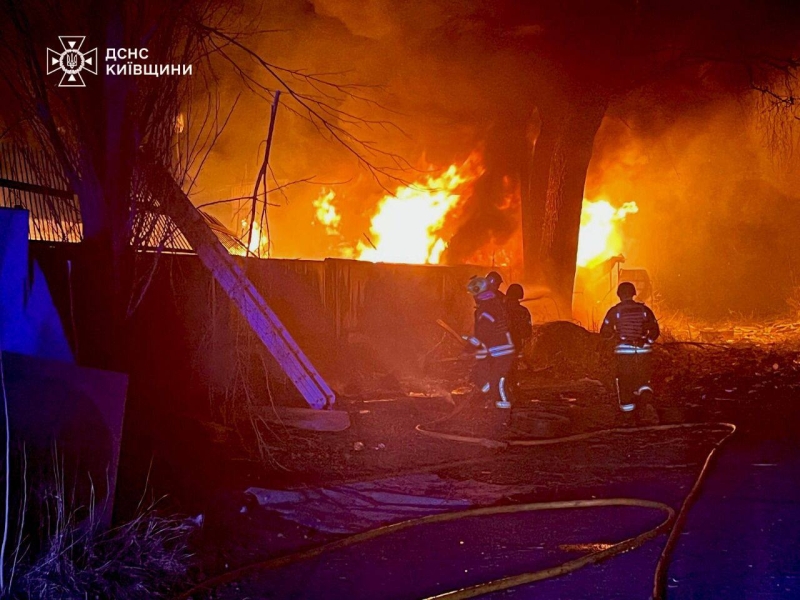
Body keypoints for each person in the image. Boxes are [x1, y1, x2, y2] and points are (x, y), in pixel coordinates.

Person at [600, 282, 660, 414]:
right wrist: (646, 340)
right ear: (633, 294)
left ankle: (628, 412)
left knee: (625, 380)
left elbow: (605, 332)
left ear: (619, 295)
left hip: (624, 351)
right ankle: (644, 397)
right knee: (643, 377)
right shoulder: (645, 310)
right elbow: (655, 330)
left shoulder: (615, 311)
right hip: (644, 352)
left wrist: (615, 338)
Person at [464, 275, 515, 409]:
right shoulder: (493, 304)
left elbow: (483, 333)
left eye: (473, 294)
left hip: (501, 351)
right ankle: (490, 397)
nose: (473, 297)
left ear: (478, 293)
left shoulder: (487, 308)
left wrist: (469, 347)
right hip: (496, 350)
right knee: (479, 375)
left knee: (497, 381)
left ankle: (502, 409)